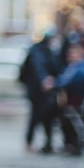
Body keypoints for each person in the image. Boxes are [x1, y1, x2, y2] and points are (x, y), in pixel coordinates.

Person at [19, 26, 62, 154]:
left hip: (44, 91)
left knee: (46, 117)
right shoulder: (38, 51)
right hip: (38, 91)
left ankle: (47, 144)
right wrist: (45, 80)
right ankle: (30, 142)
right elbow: (39, 67)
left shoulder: (48, 51)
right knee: (37, 116)